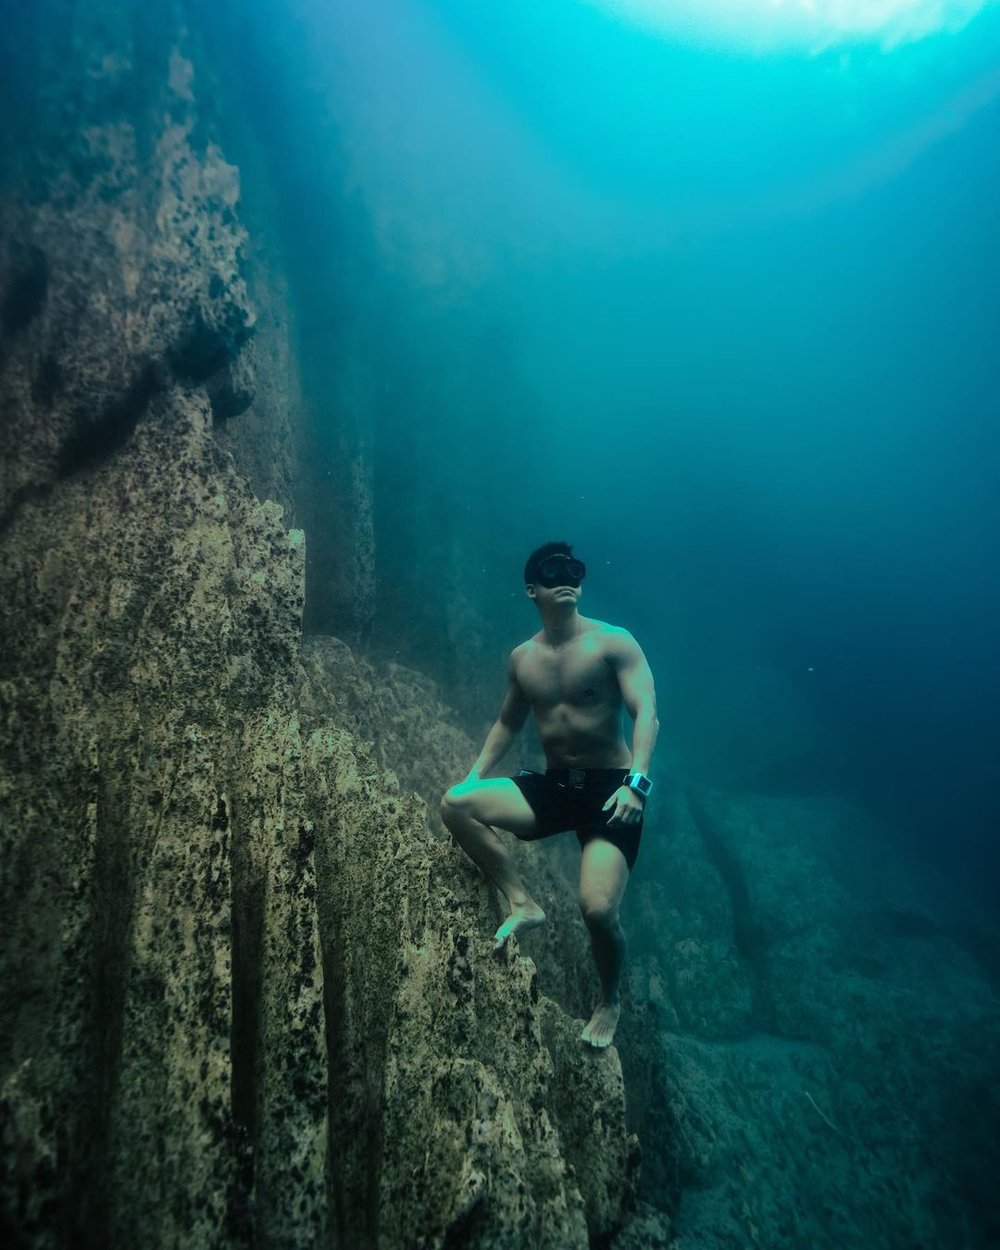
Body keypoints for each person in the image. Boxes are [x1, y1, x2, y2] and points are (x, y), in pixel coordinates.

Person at [441, 541, 659, 1049]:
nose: (567, 578)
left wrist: (637, 783)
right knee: (455, 803)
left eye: (574, 570)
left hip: (612, 790)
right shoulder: (523, 658)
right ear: (531, 589)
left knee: (598, 911)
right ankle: (523, 904)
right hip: (557, 784)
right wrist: (474, 774)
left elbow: (647, 712)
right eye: (553, 571)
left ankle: (609, 999)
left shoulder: (613, 642)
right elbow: (507, 723)